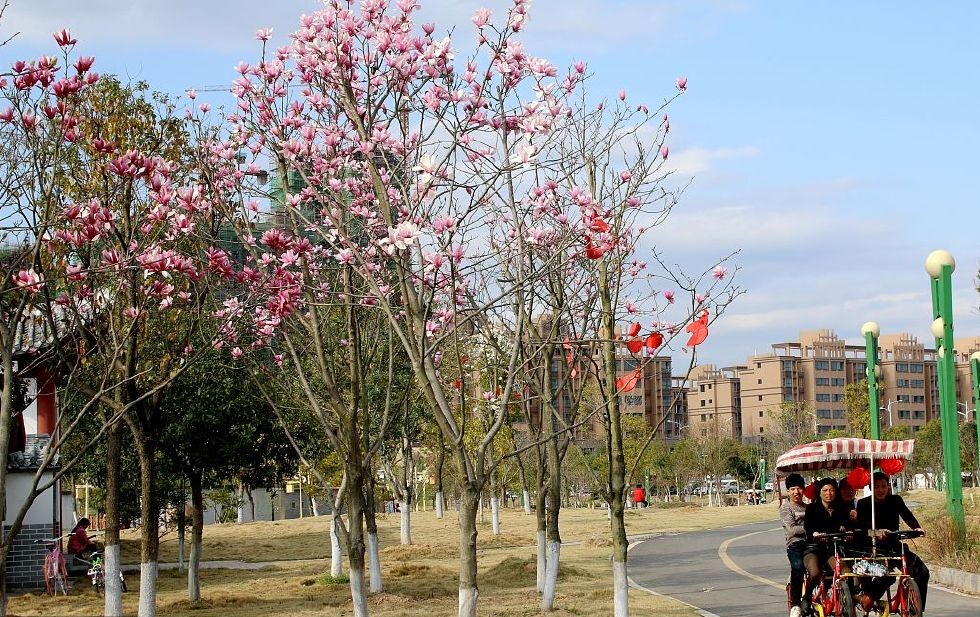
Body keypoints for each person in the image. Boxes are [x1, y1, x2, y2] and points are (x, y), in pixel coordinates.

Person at [856, 472, 930, 612]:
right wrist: (877, 532)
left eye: (883, 486)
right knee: (887, 576)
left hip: (895, 547)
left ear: (888, 487)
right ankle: (869, 597)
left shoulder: (896, 500)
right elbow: (862, 527)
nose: (880, 490)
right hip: (872, 549)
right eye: (876, 486)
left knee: (923, 572)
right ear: (871, 488)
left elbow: (907, 515)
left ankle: (917, 608)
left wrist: (917, 528)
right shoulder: (863, 503)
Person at [802, 477, 868, 613]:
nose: (829, 493)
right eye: (825, 490)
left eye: (832, 490)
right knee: (814, 573)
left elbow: (848, 526)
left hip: (832, 550)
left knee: (845, 572)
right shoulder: (811, 508)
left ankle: (847, 602)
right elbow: (808, 528)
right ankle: (807, 597)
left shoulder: (842, 508)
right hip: (813, 549)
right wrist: (814, 533)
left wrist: (847, 530)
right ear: (819, 492)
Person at [779, 473, 808, 617]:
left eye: (799, 488)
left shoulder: (808, 508)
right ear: (788, 491)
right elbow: (792, 530)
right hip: (795, 544)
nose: (796, 492)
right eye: (792, 489)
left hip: (811, 544)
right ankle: (796, 604)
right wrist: (811, 529)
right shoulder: (786, 508)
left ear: (804, 489)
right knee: (798, 568)